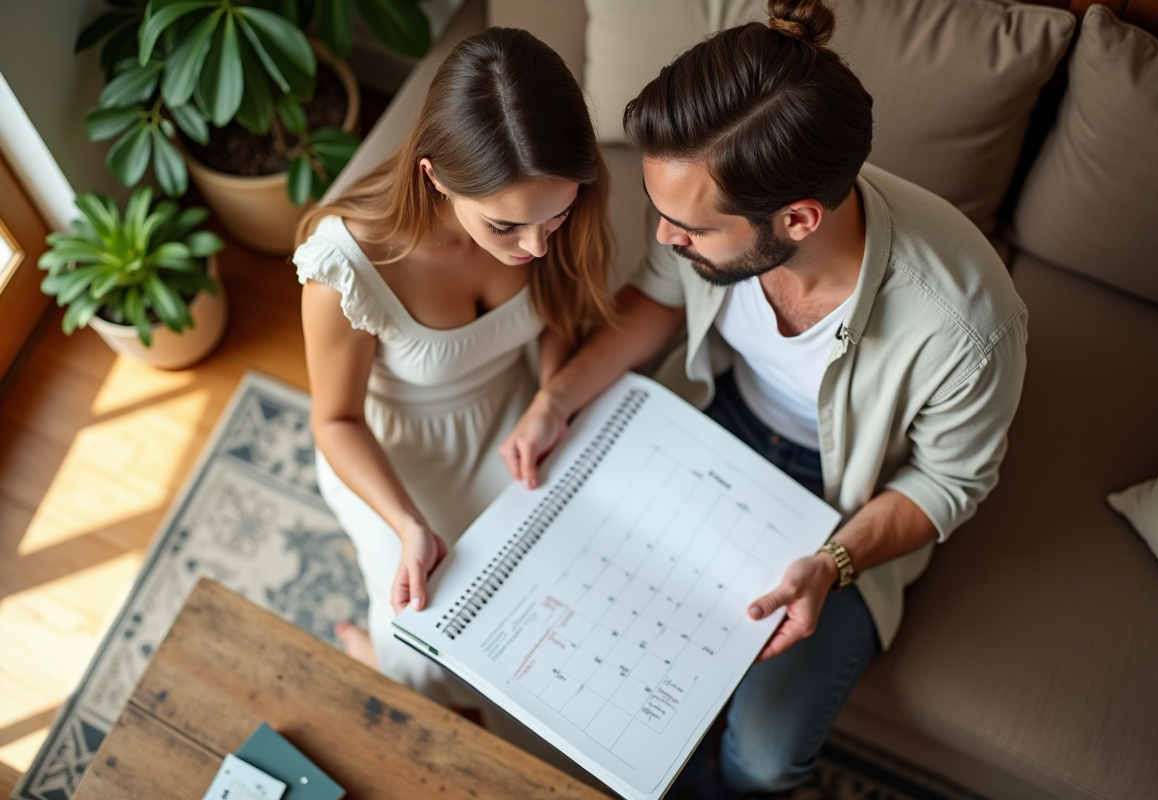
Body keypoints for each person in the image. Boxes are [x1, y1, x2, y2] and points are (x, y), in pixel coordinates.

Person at [499, 0, 1028, 795]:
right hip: (717, 423)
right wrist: (558, 398)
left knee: (765, 757)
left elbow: (950, 481)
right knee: (583, 660)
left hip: (848, 501)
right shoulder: (704, 211)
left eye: (691, 231)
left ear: (799, 219)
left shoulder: (965, 323)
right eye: (664, 215)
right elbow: (660, 299)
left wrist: (833, 563)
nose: (668, 239)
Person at [293, 26, 613, 707]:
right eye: (504, 227)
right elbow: (336, 418)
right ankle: (382, 663)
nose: (533, 246)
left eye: (551, 221)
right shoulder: (347, 269)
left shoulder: (557, 205)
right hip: (396, 452)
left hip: (516, 413)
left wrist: (552, 398)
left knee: (568, 607)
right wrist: (409, 525)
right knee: (422, 641)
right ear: (433, 175)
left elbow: (562, 318)